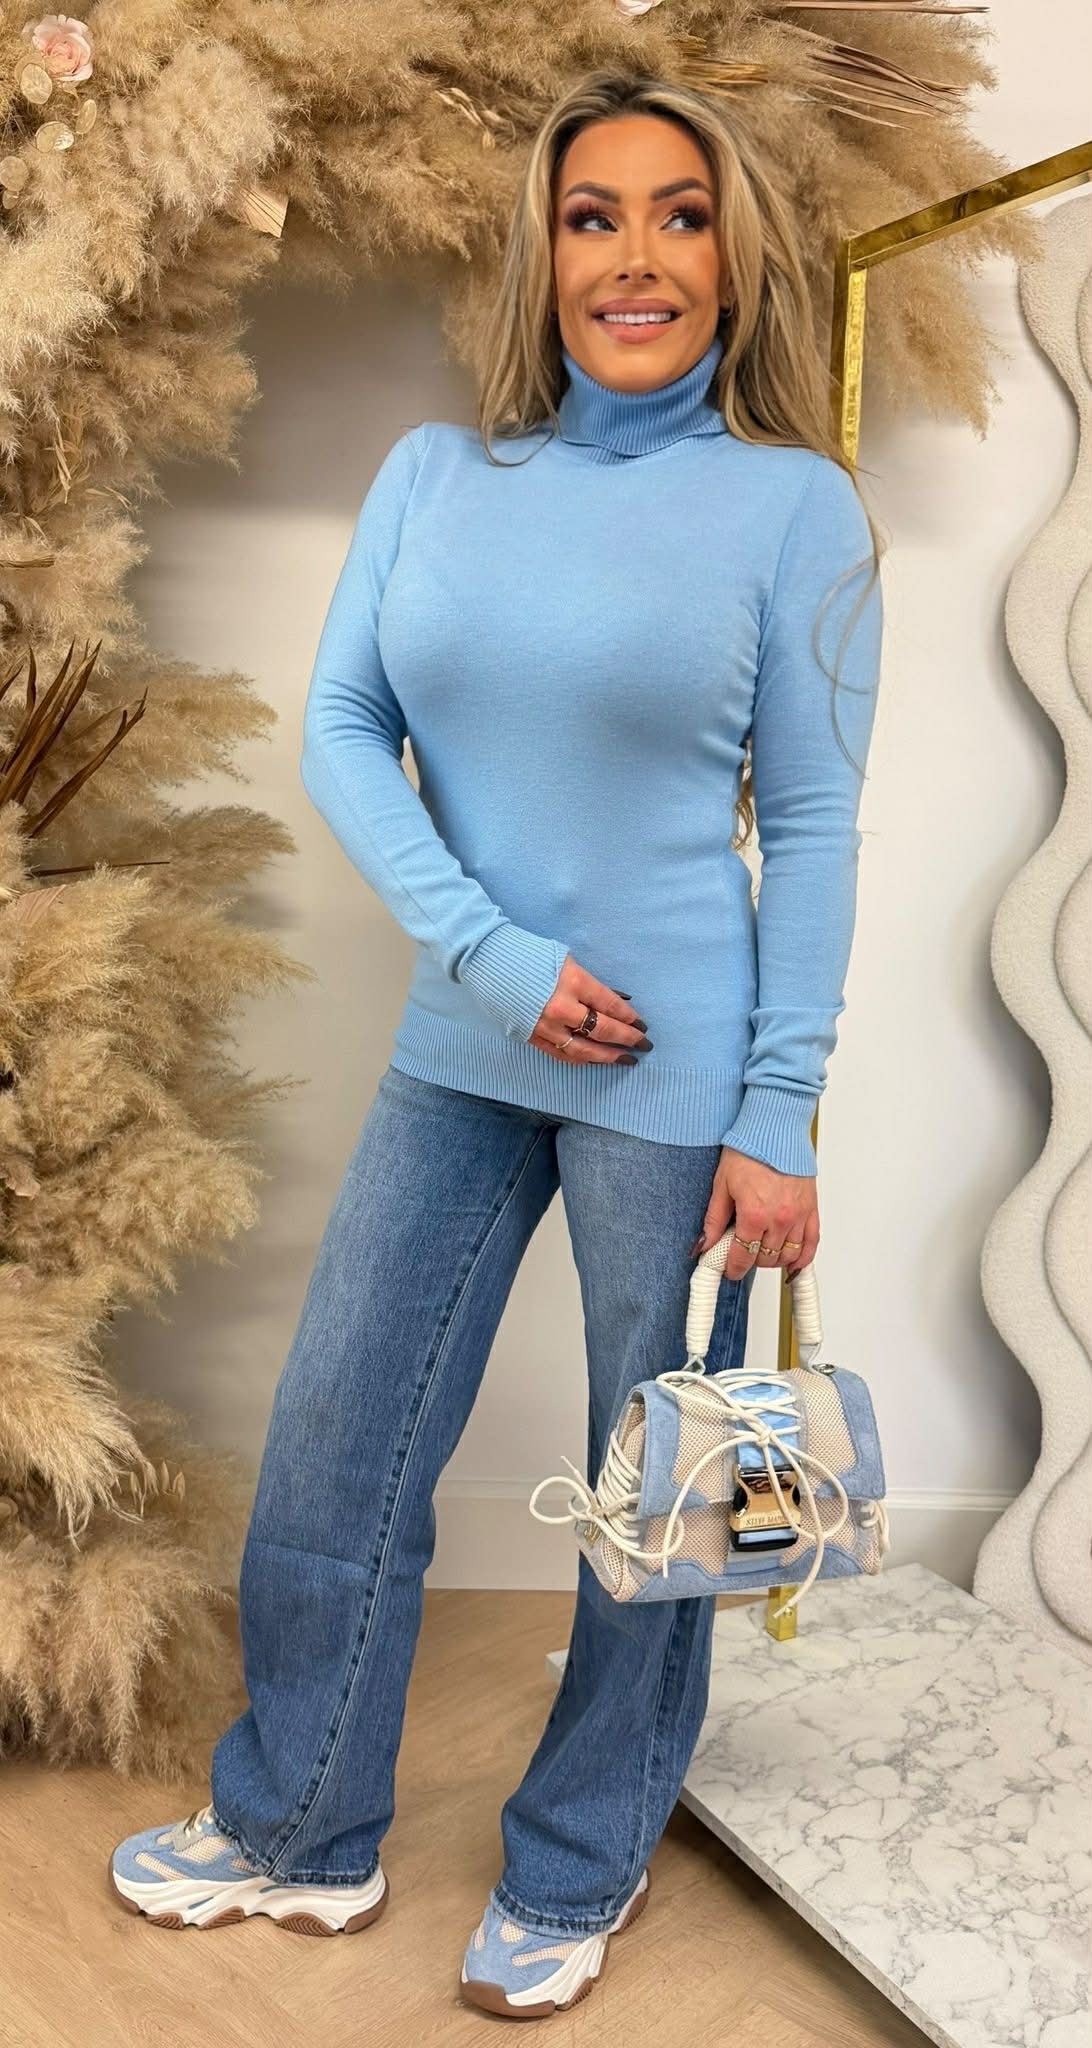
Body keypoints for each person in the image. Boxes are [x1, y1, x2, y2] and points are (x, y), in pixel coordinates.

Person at [109, 65, 884, 2021]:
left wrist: (779, 1110)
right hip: (466, 1037)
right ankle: (299, 1827)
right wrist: (488, 952)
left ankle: (578, 1853)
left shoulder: (796, 509)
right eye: (592, 215)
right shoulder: (436, 478)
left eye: (681, 217)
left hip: (677, 1073)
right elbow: (341, 729)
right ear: (541, 255)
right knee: (339, 1436)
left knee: (658, 1492)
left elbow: (810, 826)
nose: (638, 257)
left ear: (735, 261)